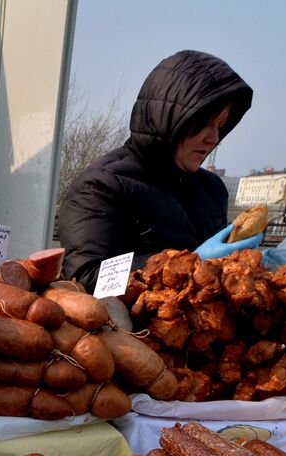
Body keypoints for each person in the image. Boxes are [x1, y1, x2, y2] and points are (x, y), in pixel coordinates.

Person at [57, 50, 258, 288]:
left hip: (206, 321)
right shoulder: (103, 185)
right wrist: (190, 262)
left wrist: (246, 266)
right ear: (169, 118)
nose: (214, 138)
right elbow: (87, 277)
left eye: (220, 125)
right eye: (205, 123)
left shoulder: (211, 188)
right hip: (133, 325)